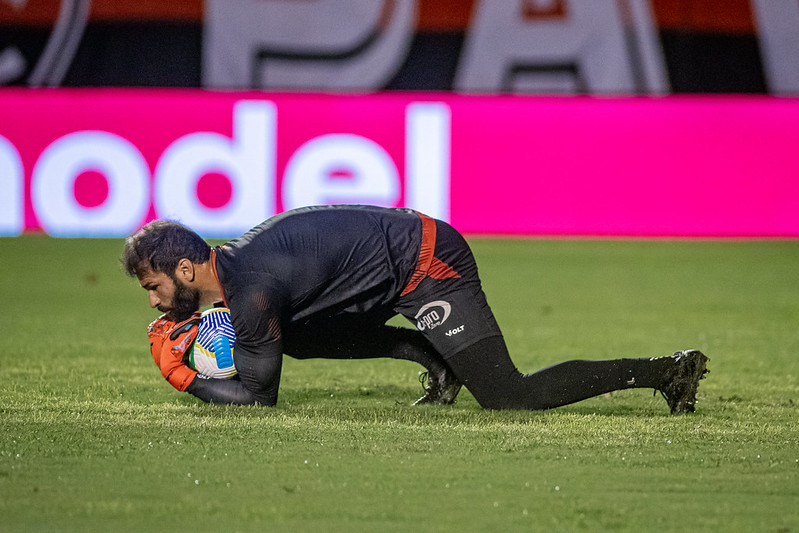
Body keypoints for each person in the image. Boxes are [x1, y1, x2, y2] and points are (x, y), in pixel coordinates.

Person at [123, 205, 708, 414]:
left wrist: (184, 378)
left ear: (185, 270)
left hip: (426, 262)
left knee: (508, 395)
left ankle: (665, 371)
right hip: (393, 258)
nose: (152, 302)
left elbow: (257, 396)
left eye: (152, 286)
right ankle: (434, 357)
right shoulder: (241, 278)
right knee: (290, 335)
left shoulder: (249, 292)